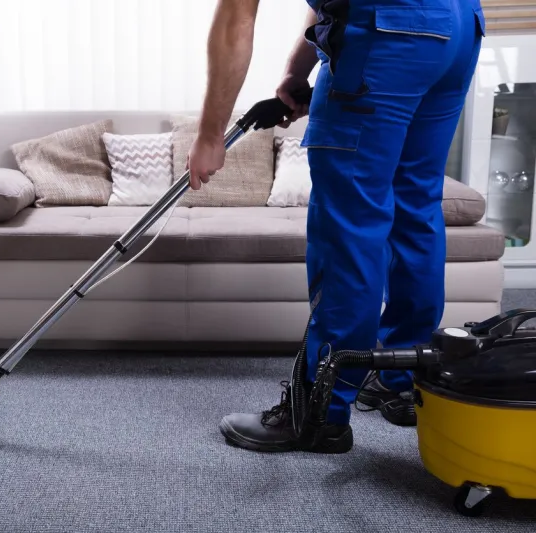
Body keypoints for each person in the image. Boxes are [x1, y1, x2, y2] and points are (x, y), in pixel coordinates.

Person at [188, 0, 485, 453]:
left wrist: (210, 135)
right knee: (416, 204)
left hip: (386, 33)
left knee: (349, 226)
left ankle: (319, 414)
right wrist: (297, 70)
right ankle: (403, 380)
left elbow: (236, 19)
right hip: (458, 28)